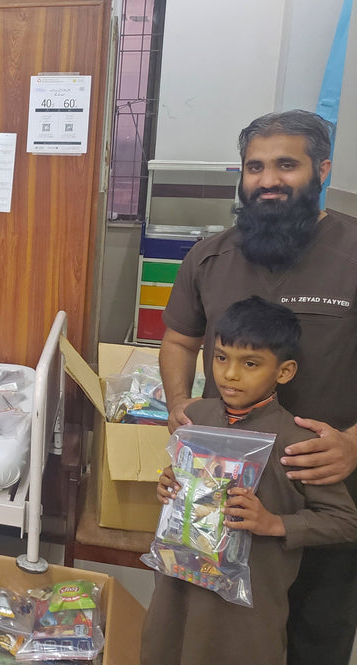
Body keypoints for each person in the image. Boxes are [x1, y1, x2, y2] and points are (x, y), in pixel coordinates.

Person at [158, 109, 357, 664]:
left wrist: (354, 442)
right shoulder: (211, 256)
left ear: (322, 169)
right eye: (255, 167)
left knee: (317, 633)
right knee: (220, 631)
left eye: (286, 165)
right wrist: (179, 406)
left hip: (322, 493)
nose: (268, 180)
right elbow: (177, 340)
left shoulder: (351, 254)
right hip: (224, 501)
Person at [143, 297, 357, 664]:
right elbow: (182, 483)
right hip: (178, 589)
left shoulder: (297, 440)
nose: (229, 374)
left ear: (284, 372)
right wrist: (169, 483)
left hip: (248, 607)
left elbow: (344, 521)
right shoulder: (195, 418)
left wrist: (274, 523)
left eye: (251, 363)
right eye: (221, 357)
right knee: (167, 648)